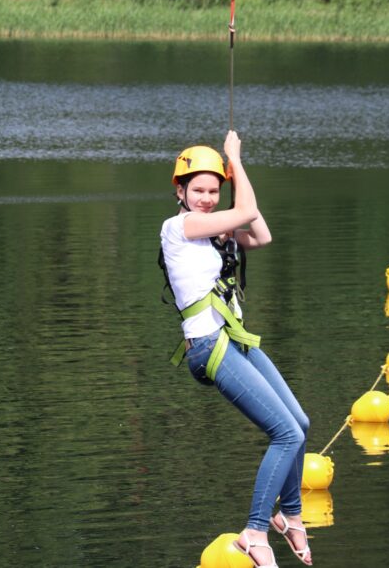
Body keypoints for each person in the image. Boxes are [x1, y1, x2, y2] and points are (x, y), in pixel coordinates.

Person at [159, 131, 312, 567]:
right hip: (208, 346)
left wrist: (235, 172)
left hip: (234, 339)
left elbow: (260, 233)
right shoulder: (179, 227)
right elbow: (244, 210)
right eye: (198, 190)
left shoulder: (217, 234)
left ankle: (292, 517)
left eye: (213, 190)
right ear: (180, 191)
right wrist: (234, 158)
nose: (207, 199)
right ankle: (255, 532)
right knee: (284, 435)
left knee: (300, 423)